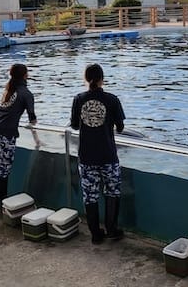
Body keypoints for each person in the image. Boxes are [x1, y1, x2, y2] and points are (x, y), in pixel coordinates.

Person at [70, 63, 126, 244]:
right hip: (108, 155)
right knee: (112, 191)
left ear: (86, 78)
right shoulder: (112, 99)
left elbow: (75, 126)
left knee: (90, 195)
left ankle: (95, 234)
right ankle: (112, 230)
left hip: (86, 157)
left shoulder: (78, 99)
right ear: (102, 78)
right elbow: (121, 127)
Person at [0, 63, 37, 211]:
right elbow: (32, 119)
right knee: (3, 168)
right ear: (25, 75)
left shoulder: (7, 90)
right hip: (6, 134)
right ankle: (1, 203)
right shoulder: (26, 93)